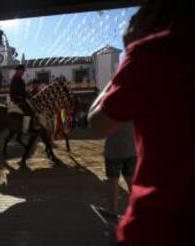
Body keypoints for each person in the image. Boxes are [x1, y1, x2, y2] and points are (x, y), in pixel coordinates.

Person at [88, 1, 194, 245]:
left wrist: (131, 56)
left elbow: (98, 123)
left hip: (159, 227)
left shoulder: (153, 52)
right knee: (127, 176)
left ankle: (113, 209)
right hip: (130, 153)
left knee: (114, 179)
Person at [97, 123, 136, 219]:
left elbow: (100, 128)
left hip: (113, 149)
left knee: (113, 180)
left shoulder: (112, 109)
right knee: (131, 179)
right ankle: (140, 208)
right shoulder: (136, 109)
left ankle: (113, 211)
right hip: (132, 149)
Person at [10, 65, 35, 132]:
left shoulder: (18, 78)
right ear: (18, 71)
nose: (23, 72)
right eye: (22, 71)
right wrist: (27, 94)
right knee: (29, 111)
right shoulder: (16, 79)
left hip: (20, 97)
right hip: (18, 99)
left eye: (23, 71)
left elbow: (22, 90)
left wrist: (27, 93)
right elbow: (20, 91)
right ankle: (25, 128)